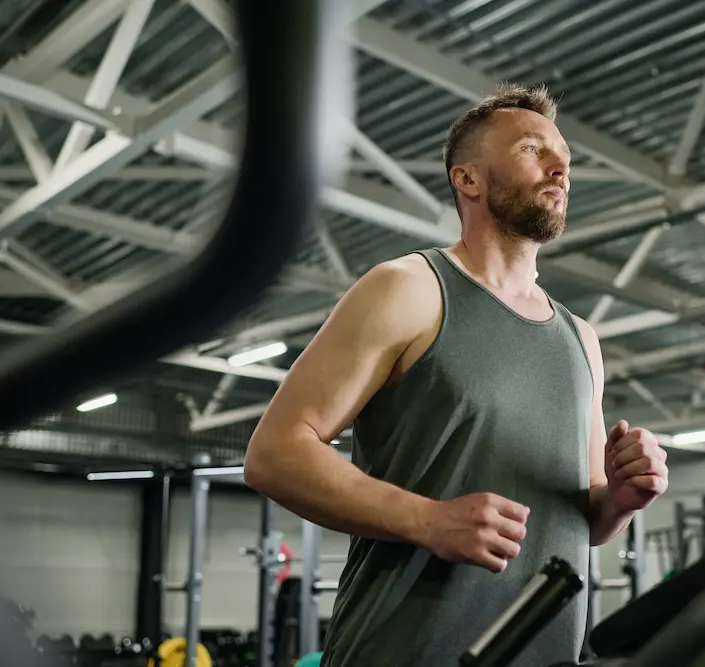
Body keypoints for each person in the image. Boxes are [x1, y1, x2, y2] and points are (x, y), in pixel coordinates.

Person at [243, 82, 670, 667]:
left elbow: (590, 520)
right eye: (531, 150)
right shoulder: (408, 289)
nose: (559, 168)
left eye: (564, 159)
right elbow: (273, 454)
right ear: (467, 179)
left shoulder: (582, 340)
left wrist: (621, 498)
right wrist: (427, 519)